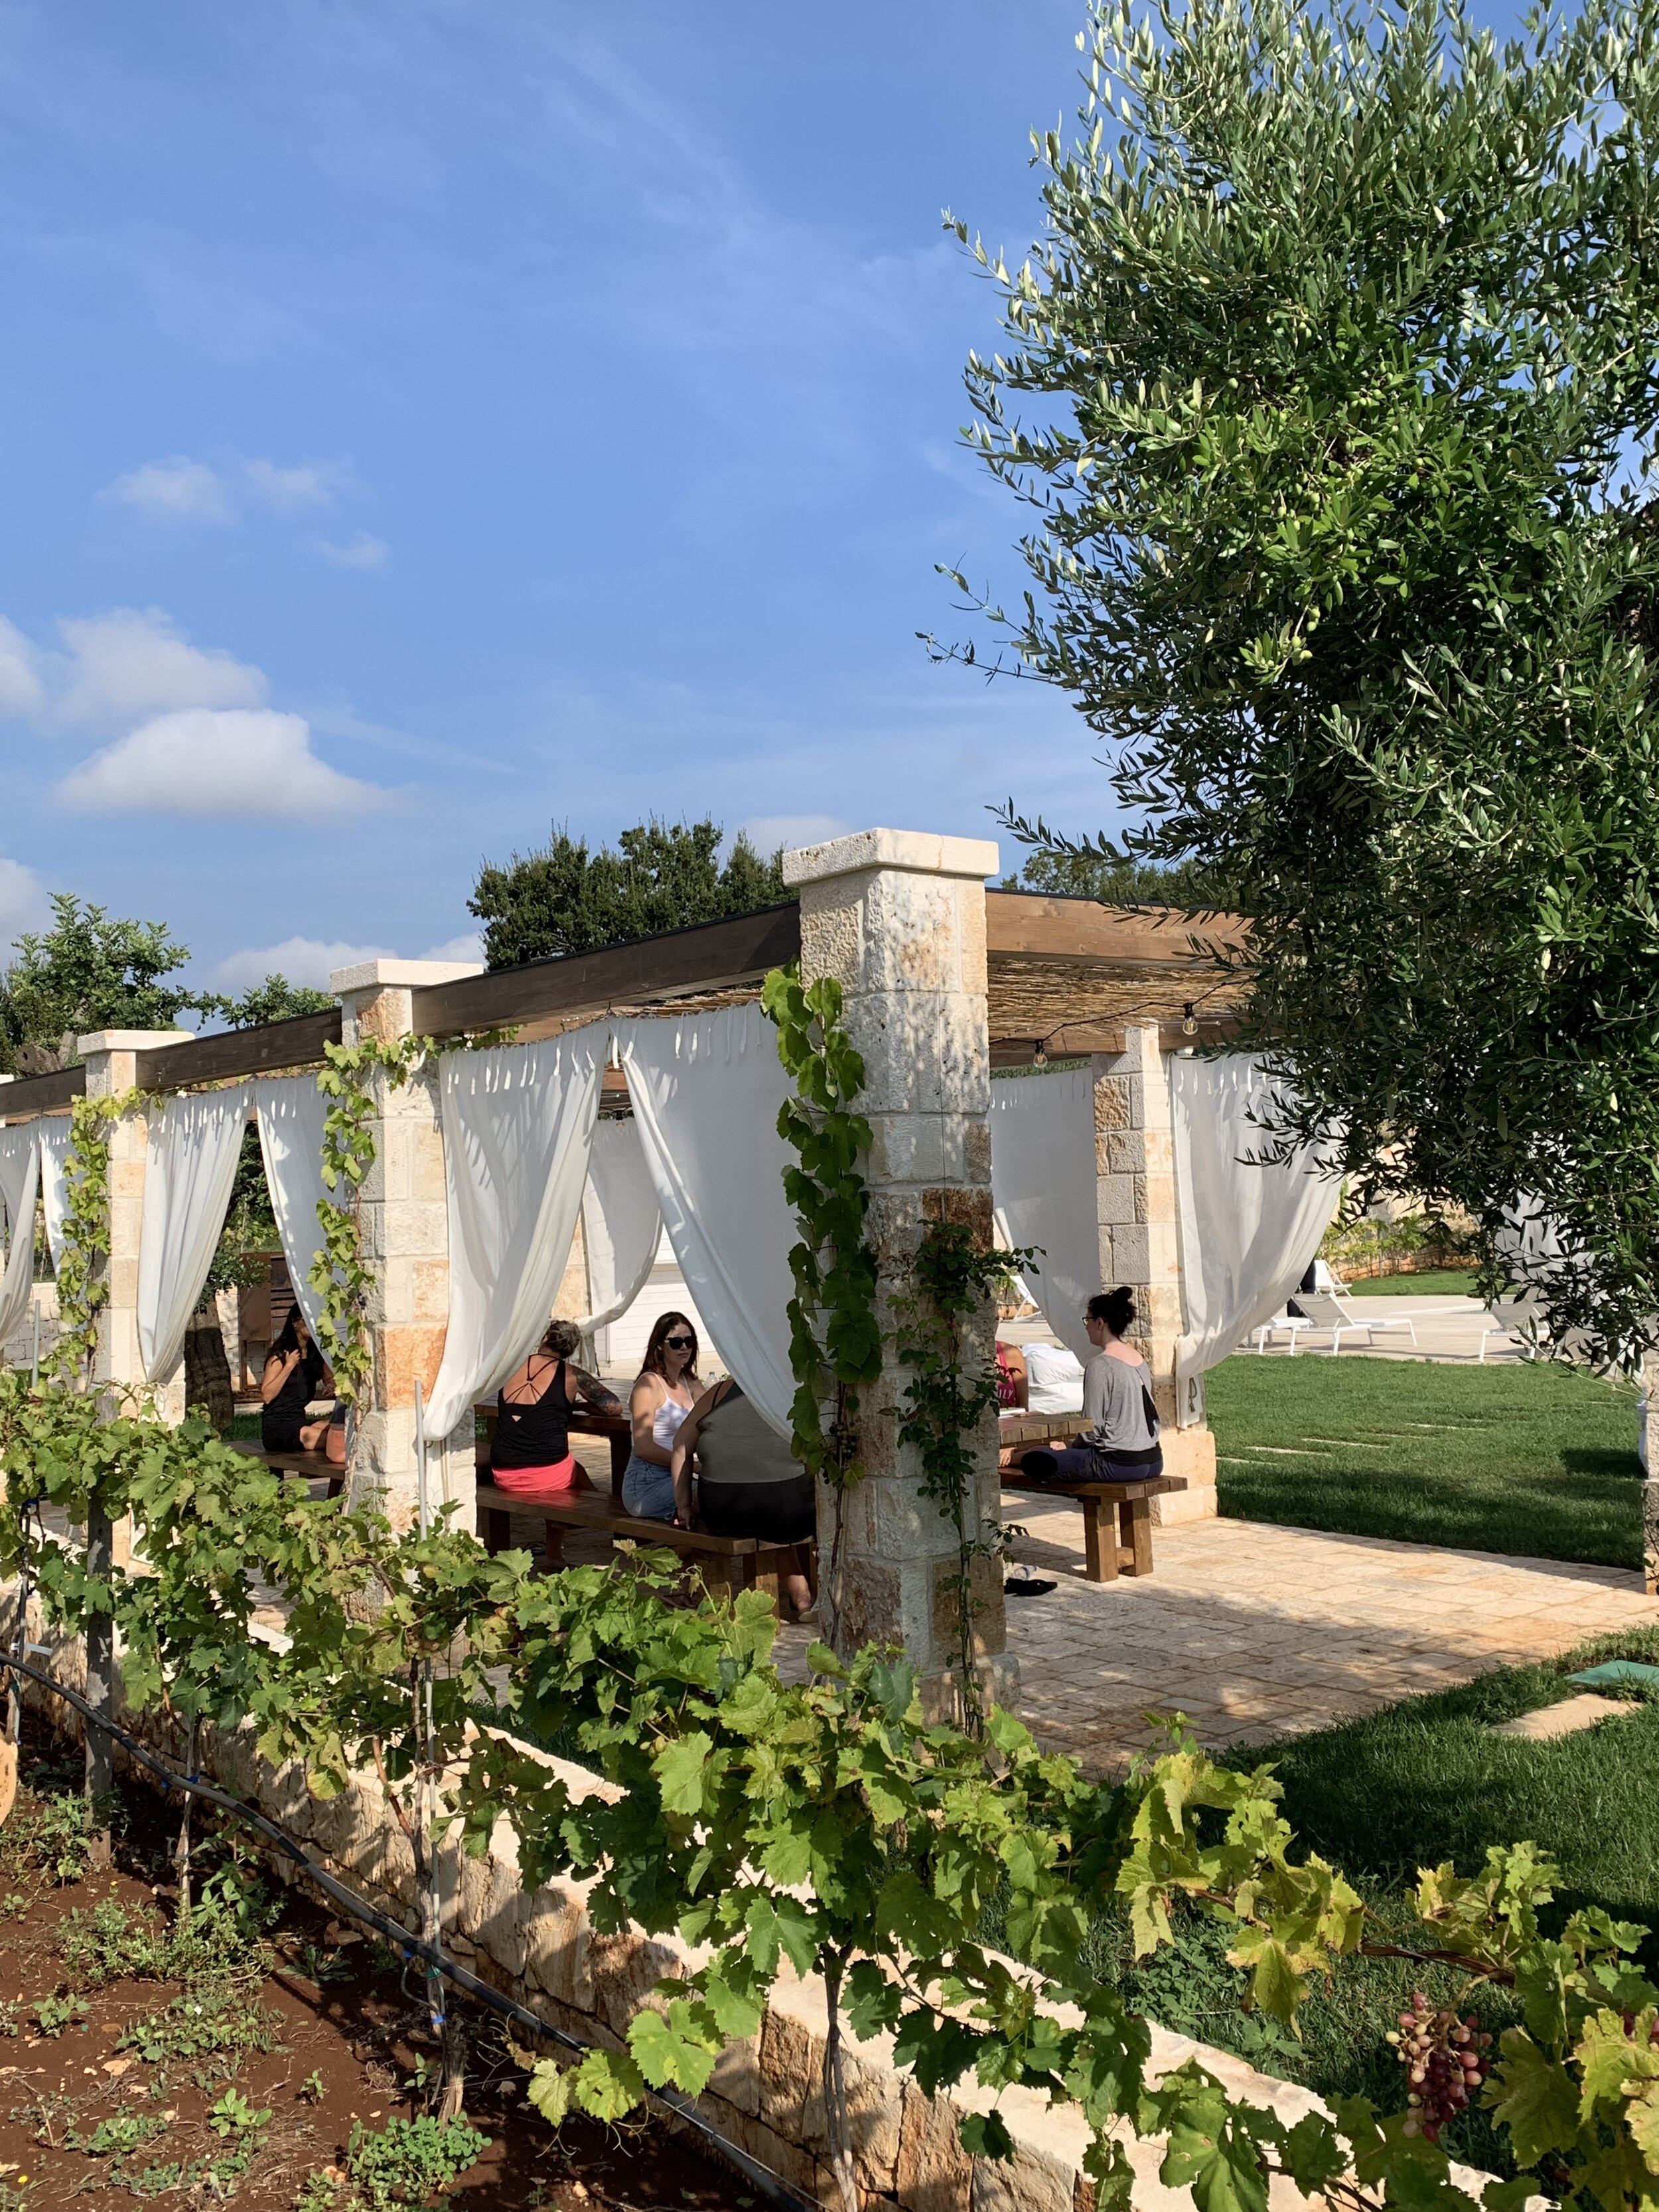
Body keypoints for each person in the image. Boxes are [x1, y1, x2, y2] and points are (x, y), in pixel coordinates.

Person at [669, 1377, 815, 1619]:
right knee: (779, 1510)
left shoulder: (719, 1392)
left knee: (760, 1509)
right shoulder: (791, 1388)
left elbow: (680, 1446)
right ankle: (804, 1599)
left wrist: (683, 1505)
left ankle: (802, 1598)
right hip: (788, 1511)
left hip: (723, 1510)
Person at [1017, 1286, 1162, 1484]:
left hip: (1116, 1463)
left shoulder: (1100, 1365)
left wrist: (1070, 1447)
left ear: (1100, 1323)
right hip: (1153, 1460)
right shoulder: (1138, 1358)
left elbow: (1091, 1428)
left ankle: (1013, 1457)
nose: (1086, 1327)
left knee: (1035, 1460)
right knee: (1049, 1452)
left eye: (1088, 1320)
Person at [491, 1319, 622, 1499]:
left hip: (503, 1471)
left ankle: (577, 1516)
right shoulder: (571, 1375)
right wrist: (578, 1405)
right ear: (570, 1351)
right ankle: (597, 1517)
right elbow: (614, 1407)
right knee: (574, 1471)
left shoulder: (510, 1368)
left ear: (545, 1338)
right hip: (548, 1472)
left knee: (573, 1469)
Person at [620, 1311, 701, 1521]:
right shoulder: (648, 1385)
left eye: (689, 1341)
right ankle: (684, 1552)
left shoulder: (689, 1381)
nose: (684, 1347)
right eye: (676, 1342)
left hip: (681, 1478)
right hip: (648, 1483)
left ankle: (685, 1553)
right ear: (659, 1346)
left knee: (735, 1492)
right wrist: (691, 1465)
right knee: (711, 1497)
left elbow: (714, 1418)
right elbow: (644, 1447)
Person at [260, 1309, 334, 1454]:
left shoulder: (315, 1353)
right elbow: (267, 1396)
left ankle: (336, 1477)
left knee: (339, 1430)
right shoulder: (281, 1355)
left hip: (298, 1419)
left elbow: (329, 1378)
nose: (311, 1323)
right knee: (332, 1440)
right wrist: (289, 1366)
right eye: (305, 1320)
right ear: (295, 1323)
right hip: (277, 1426)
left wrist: (330, 1385)